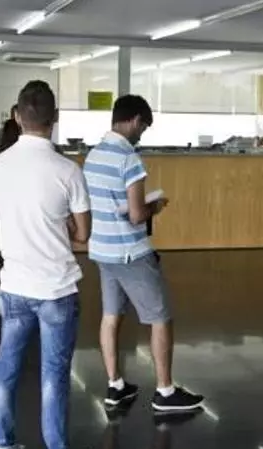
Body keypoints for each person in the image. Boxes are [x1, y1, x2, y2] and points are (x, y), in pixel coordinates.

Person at [0, 80, 105, 449]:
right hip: (56, 288)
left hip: (13, 286)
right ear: (54, 119)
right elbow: (83, 234)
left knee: (6, 370)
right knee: (53, 376)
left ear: (17, 116)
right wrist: (64, 222)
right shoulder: (67, 170)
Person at [83, 95, 204, 412]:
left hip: (102, 249)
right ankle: (165, 391)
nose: (141, 134)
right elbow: (137, 215)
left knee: (111, 316)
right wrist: (156, 206)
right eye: (143, 127)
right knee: (160, 317)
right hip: (130, 252)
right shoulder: (129, 158)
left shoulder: (93, 155)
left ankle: (115, 386)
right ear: (135, 120)